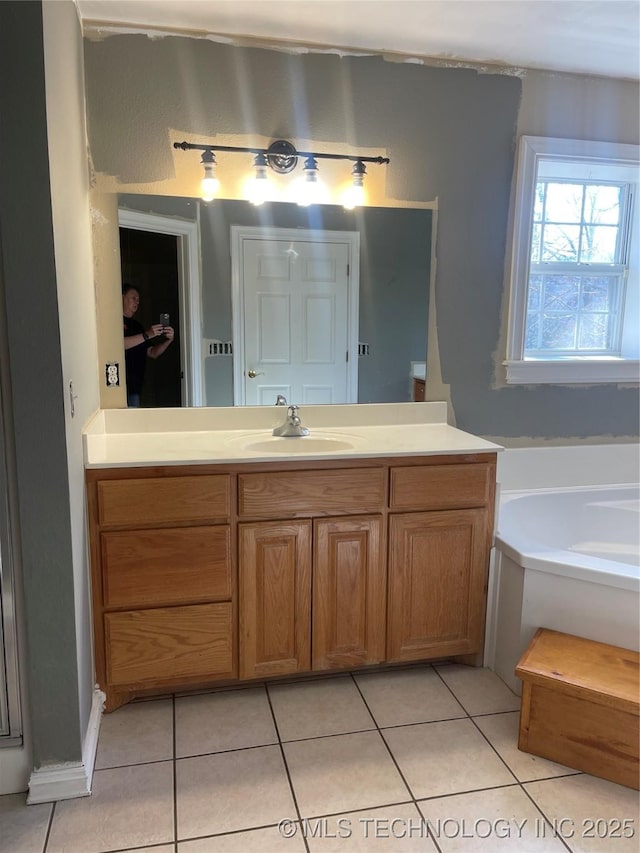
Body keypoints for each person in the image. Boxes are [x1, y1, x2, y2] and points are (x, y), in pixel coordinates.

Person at [122, 284, 175, 407]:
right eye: (133, 297)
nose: (137, 302)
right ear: (122, 297)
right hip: (119, 386)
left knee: (134, 422)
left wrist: (169, 340)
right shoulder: (114, 320)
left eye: (138, 300)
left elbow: (152, 352)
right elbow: (120, 345)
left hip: (135, 386)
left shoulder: (137, 326)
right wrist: (147, 335)